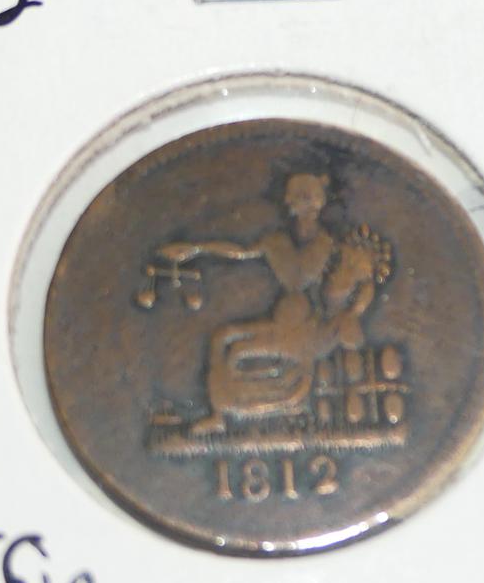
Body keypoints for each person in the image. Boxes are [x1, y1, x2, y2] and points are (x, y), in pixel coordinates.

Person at [156, 173, 381, 436]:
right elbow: (239, 251)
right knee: (220, 337)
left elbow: (366, 281)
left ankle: (245, 408)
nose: (287, 202)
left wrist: (353, 312)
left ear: (311, 203)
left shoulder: (331, 247)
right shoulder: (276, 242)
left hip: (308, 333)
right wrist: (196, 248)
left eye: (294, 197)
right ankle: (218, 415)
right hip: (280, 324)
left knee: (238, 351)